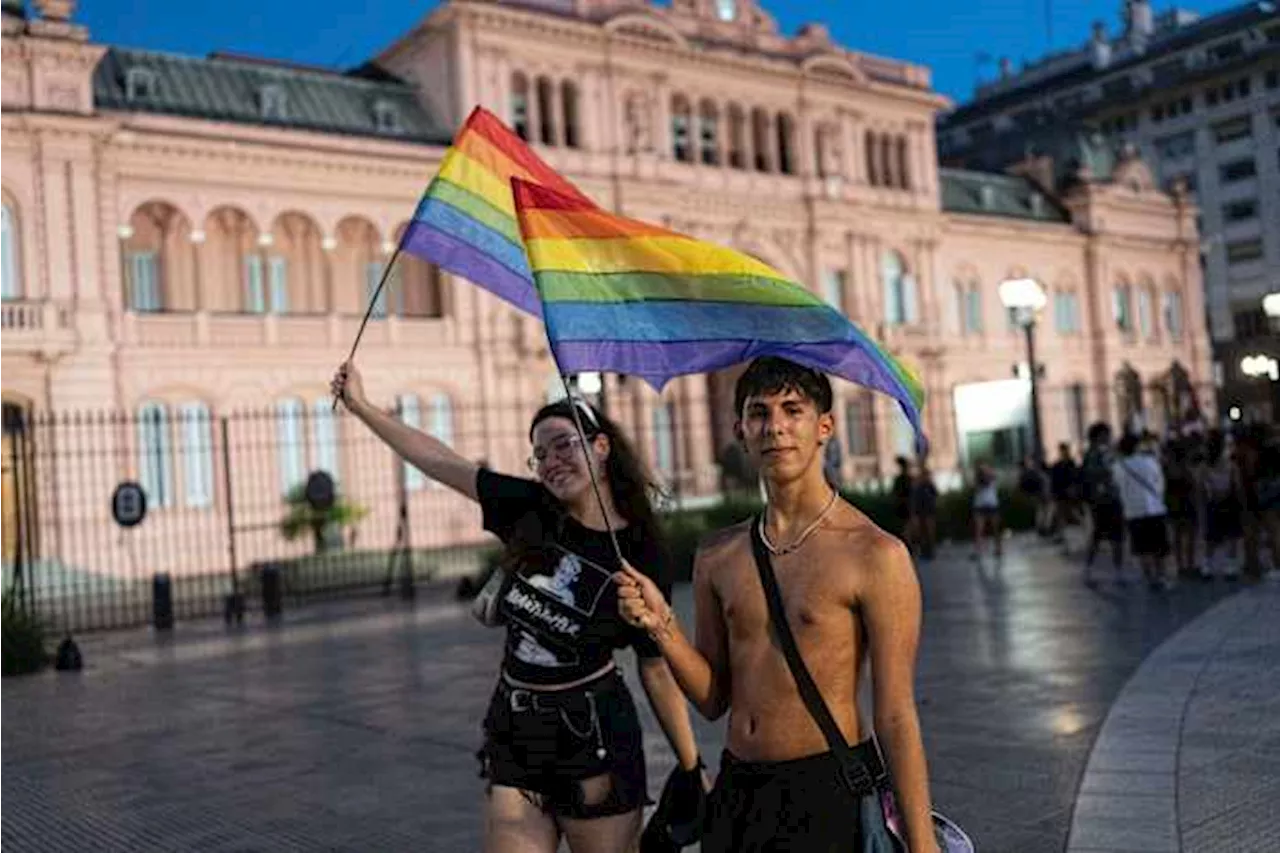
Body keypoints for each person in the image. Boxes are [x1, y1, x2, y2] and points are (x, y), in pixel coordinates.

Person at [331, 361, 703, 853]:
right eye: (539, 454)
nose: (550, 461)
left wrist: (692, 765)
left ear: (601, 447)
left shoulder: (639, 550)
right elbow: (443, 463)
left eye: (563, 444)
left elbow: (654, 668)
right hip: (515, 723)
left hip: (591, 730)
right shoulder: (529, 509)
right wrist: (360, 406)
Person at [614, 357, 940, 853]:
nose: (776, 427)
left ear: (824, 426)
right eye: (760, 413)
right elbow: (712, 698)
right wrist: (661, 626)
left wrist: (922, 845)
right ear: (741, 430)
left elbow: (895, 713)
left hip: (825, 787)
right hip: (737, 791)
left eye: (793, 410)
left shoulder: (874, 554)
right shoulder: (718, 555)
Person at [1112, 432, 1172, 591]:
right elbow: (1160, 482)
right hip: (1155, 507)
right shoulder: (1150, 462)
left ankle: (1150, 578)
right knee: (1159, 546)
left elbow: (1117, 488)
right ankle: (1162, 576)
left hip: (1133, 511)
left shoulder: (1118, 467)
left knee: (1142, 547)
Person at [1081, 422, 1124, 587]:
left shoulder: (1108, 452)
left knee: (1115, 536)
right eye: (1106, 434)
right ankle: (1089, 569)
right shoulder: (1093, 454)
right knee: (1099, 536)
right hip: (1101, 501)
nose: (1108, 437)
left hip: (1111, 498)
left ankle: (1117, 571)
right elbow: (1094, 475)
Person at [971, 461, 1002, 561]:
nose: (984, 471)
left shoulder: (992, 477)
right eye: (982, 470)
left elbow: (994, 478)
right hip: (980, 506)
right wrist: (980, 478)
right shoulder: (978, 480)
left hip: (992, 505)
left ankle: (998, 549)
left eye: (986, 469)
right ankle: (978, 551)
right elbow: (976, 487)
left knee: (996, 528)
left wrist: (989, 474)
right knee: (979, 529)